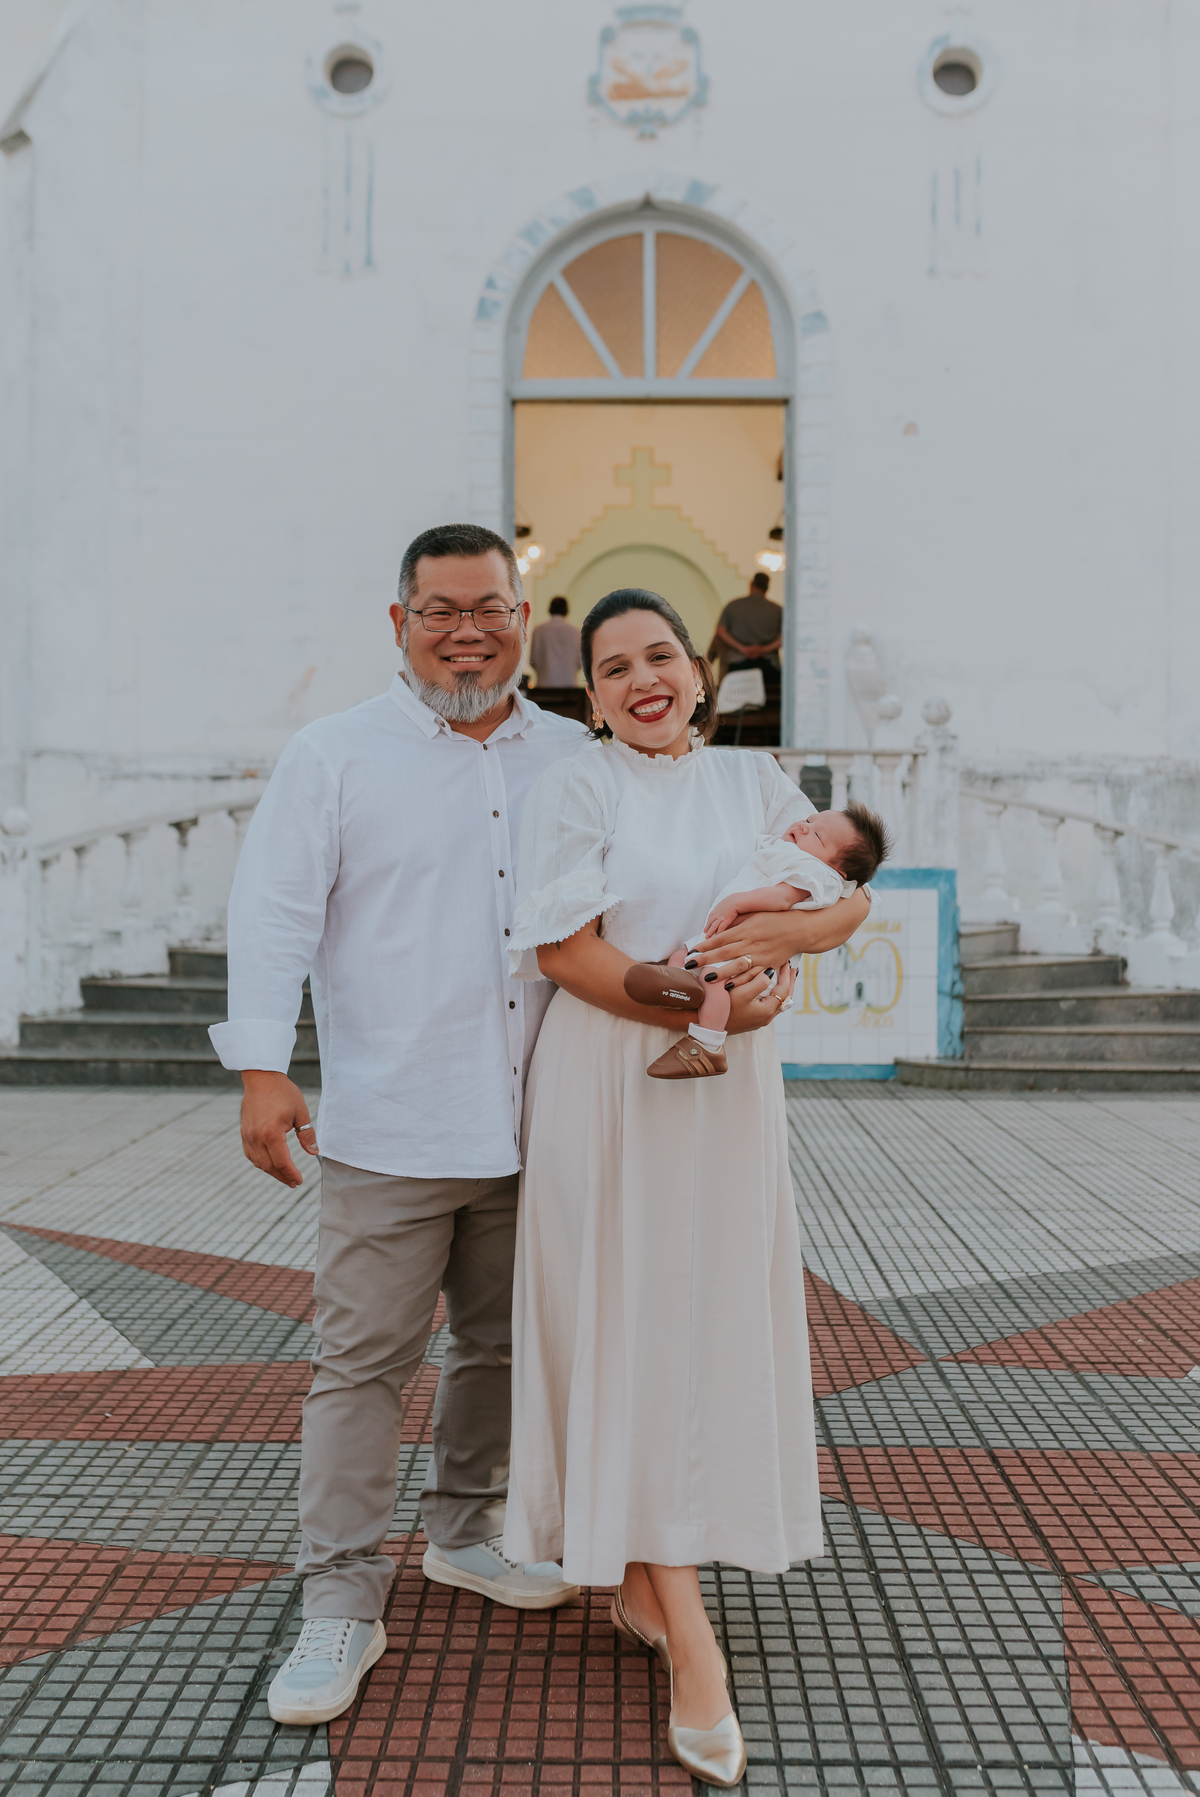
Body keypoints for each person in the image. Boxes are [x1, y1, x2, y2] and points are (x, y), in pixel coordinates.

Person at [208, 523, 589, 1730]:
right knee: (361, 1366)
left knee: (499, 1349)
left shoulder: (575, 756)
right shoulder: (334, 755)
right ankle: (339, 1596)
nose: (467, 632)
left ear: (522, 614)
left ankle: (467, 1532)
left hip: (539, 1125)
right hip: (390, 1124)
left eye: (489, 608)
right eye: (441, 611)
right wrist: (262, 1069)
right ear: (399, 622)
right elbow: (272, 912)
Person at [502, 588, 871, 1787]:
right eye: (614, 668)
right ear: (592, 696)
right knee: (626, 1333)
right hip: (608, 1083)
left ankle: (644, 1578)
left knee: (702, 1327)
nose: (642, 680)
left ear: (700, 670)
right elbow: (566, 951)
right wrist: (697, 998)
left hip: (726, 1098)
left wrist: (790, 947)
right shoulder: (577, 787)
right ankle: (691, 1642)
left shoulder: (754, 784)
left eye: (659, 655)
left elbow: (846, 892)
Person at [624, 801, 891, 1078]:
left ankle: (708, 1044)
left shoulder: (816, 873)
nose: (803, 826)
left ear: (838, 870)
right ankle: (678, 992)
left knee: (713, 980)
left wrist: (737, 903)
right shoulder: (788, 850)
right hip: (725, 941)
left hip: (746, 954)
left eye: (817, 835)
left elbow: (782, 897)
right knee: (681, 958)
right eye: (810, 820)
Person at [709, 570, 783, 685]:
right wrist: (763, 650)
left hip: (737, 666)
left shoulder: (733, 606)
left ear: (751, 584)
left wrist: (743, 649)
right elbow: (785, 638)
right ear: (767, 588)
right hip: (770, 669)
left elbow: (720, 631)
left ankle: (703, 676)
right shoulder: (777, 610)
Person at [528, 595, 582, 687]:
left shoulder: (539, 630)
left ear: (550, 609)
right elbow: (580, 662)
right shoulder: (576, 632)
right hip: (569, 686)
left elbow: (533, 660)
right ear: (567, 610)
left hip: (544, 686)